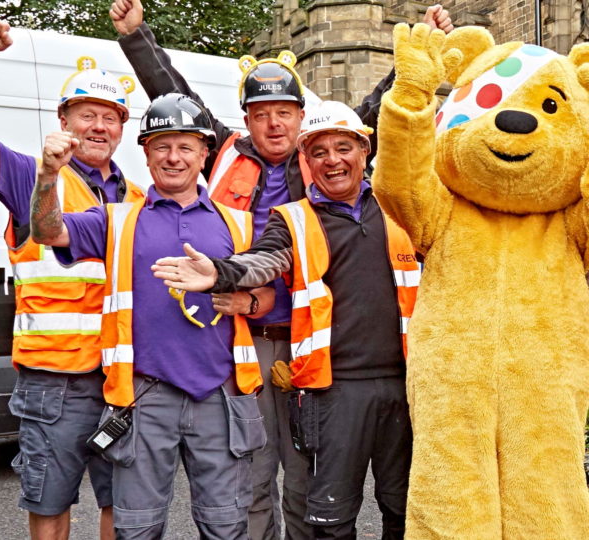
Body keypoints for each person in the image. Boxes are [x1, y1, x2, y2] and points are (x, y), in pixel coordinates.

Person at [108, 2, 450, 538]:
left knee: (307, 475)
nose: (273, 122)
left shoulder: (324, 158)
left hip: (312, 340)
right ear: (245, 120)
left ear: (301, 118)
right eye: (261, 112)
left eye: (285, 111)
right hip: (247, 338)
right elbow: (176, 101)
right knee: (251, 471)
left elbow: (376, 111)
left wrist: (420, 50)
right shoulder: (221, 152)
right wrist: (136, 37)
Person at [151, 102, 419, 540]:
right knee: (331, 518)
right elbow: (264, 260)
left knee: (405, 506)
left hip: (405, 384)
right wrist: (221, 272)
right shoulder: (293, 219)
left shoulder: (401, 208)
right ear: (306, 161)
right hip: (335, 391)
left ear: (364, 151)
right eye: (319, 152)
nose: (332, 160)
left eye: (343, 148)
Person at [30, 93, 266, 539]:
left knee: (227, 525)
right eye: (162, 146)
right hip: (145, 397)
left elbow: (266, 297)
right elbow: (47, 231)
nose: (173, 157)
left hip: (219, 394)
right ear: (146, 152)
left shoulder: (240, 223)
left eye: (185, 146)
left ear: (204, 154)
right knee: (136, 528)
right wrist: (48, 175)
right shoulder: (116, 219)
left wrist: (248, 304)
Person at [0, 14, 145, 540]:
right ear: (63, 120)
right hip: (55, 384)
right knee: (51, 504)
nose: (99, 126)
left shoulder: (140, 200)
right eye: (87, 114)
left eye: (111, 116)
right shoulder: (32, 176)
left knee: (122, 507)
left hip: (122, 381)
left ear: (123, 128)